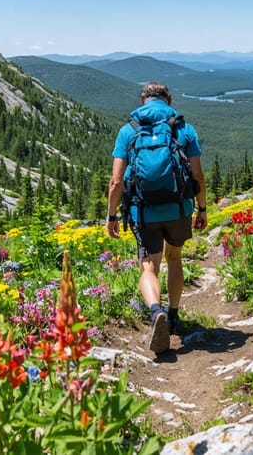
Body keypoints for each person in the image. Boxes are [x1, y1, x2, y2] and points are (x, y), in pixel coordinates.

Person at [106, 82, 207, 355]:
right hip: (177, 210)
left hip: (143, 211)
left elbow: (116, 181)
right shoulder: (183, 128)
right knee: (174, 258)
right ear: (168, 99)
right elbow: (197, 176)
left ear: (142, 99)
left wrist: (112, 215)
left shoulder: (129, 131)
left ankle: (154, 312)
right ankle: (173, 316)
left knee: (148, 267)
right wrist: (202, 209)